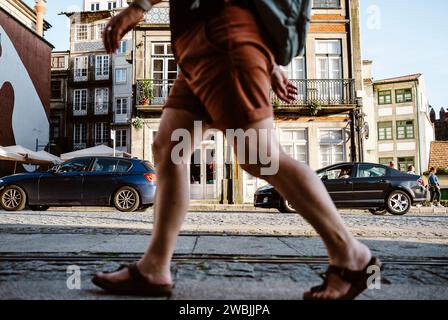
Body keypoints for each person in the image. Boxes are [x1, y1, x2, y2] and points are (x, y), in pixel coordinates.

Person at [92, 0, 380, 300]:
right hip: (196, 48)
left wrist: (138, 6)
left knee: (260, 156)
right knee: (168, 149)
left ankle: (351, 255)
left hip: (222, 36)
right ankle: (153, 267)